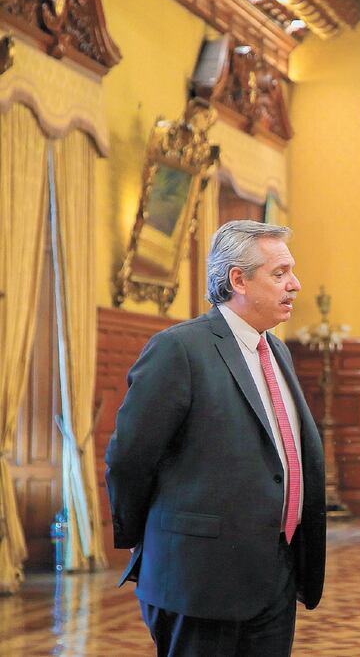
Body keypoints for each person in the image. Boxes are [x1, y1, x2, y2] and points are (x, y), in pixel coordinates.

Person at [105, 221, 326, 656]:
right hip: (199, 579)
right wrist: (149, 539)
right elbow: (129, 458)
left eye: (292, 271)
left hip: (273, 575)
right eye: (279, 273)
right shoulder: (179, 349)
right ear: (238, 280)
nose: (295, 285)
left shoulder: (275, 349)